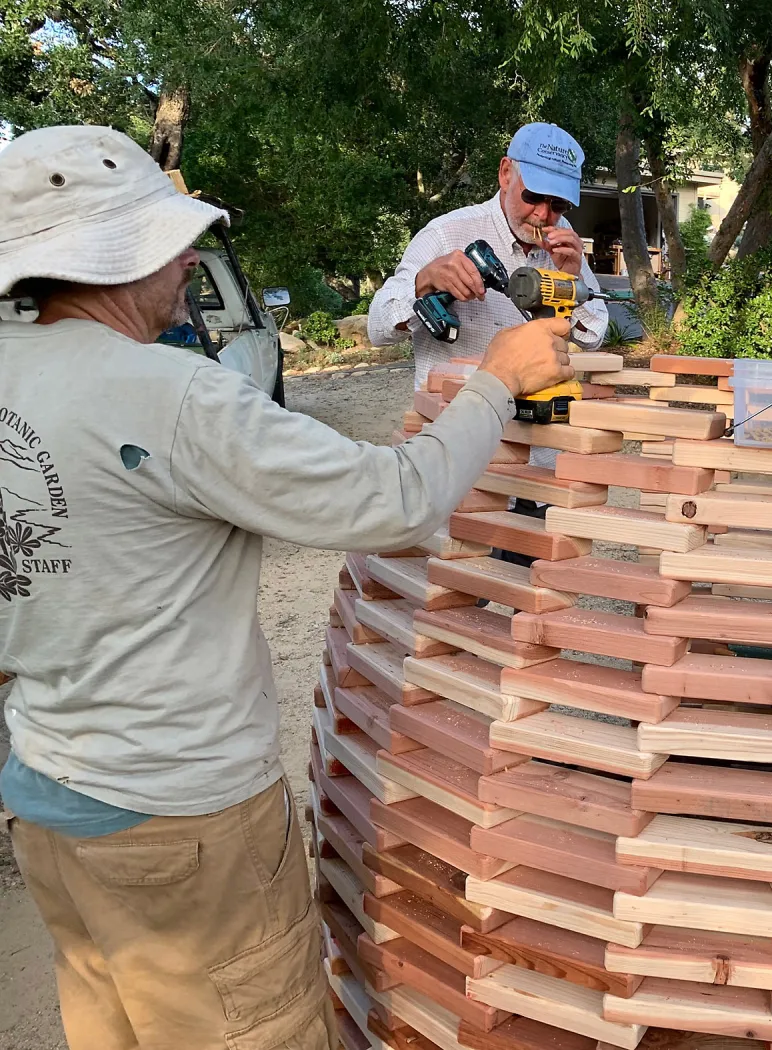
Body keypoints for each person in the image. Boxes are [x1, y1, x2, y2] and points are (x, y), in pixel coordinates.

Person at [0, 125, 571, 1050]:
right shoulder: (173, 396)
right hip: (182, 828)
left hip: (46, 798)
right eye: (169, 244)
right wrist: (497, 384)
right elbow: (397, 500)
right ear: (114, 257)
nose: (189, 264)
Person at [368, 122, 609, 391]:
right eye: (533, 196)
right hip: (454, 416)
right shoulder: (445, 233)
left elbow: (594, 336)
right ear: (506, 174)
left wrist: (571, 280)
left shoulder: (565, 240)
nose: (543, 214)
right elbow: (377, 329)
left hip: (530, 424)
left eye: (558, 204)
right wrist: (423, 282)